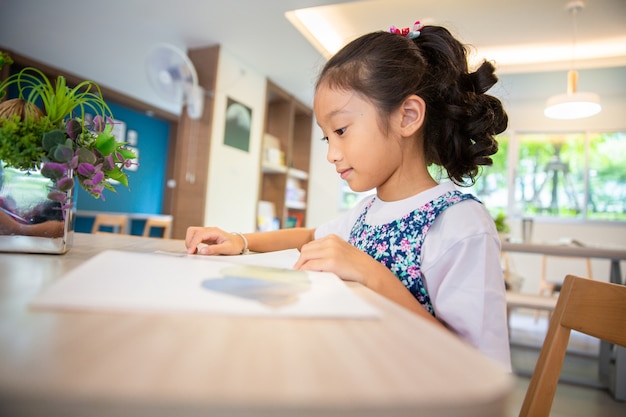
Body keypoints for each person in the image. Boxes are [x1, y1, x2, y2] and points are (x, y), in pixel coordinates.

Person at [186, 21, 511, 370]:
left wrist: (372, 275)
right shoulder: (366, 212)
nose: (332, 154)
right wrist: (240, 241)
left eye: (341, 130)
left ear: (408, 116)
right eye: (328, 138)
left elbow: (479, 367)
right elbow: (311, 236)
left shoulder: (460, 224)